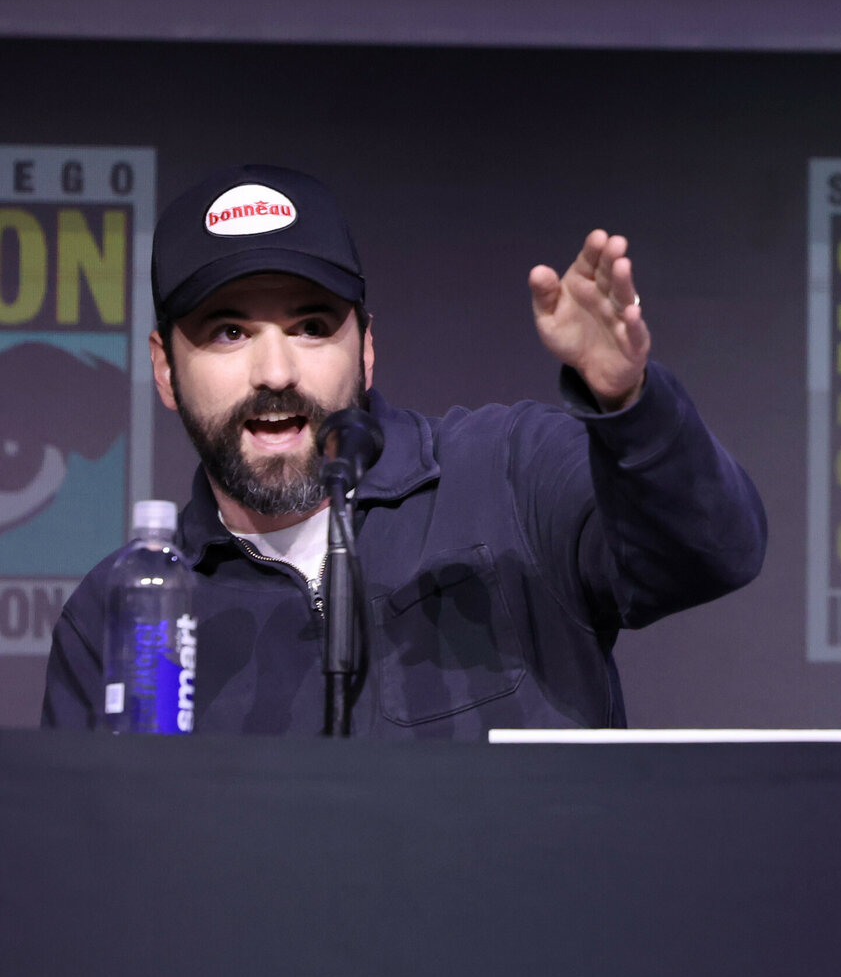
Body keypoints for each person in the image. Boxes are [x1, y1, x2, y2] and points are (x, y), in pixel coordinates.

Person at [42, 165, 767, 736]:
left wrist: (629, 405)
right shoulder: (120, 613)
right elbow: (96, 852)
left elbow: (712, 554)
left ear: (366, 349)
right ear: (164, 368)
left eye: (311, 327)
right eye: (229, 332)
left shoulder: (509, 472)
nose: (275, 371)